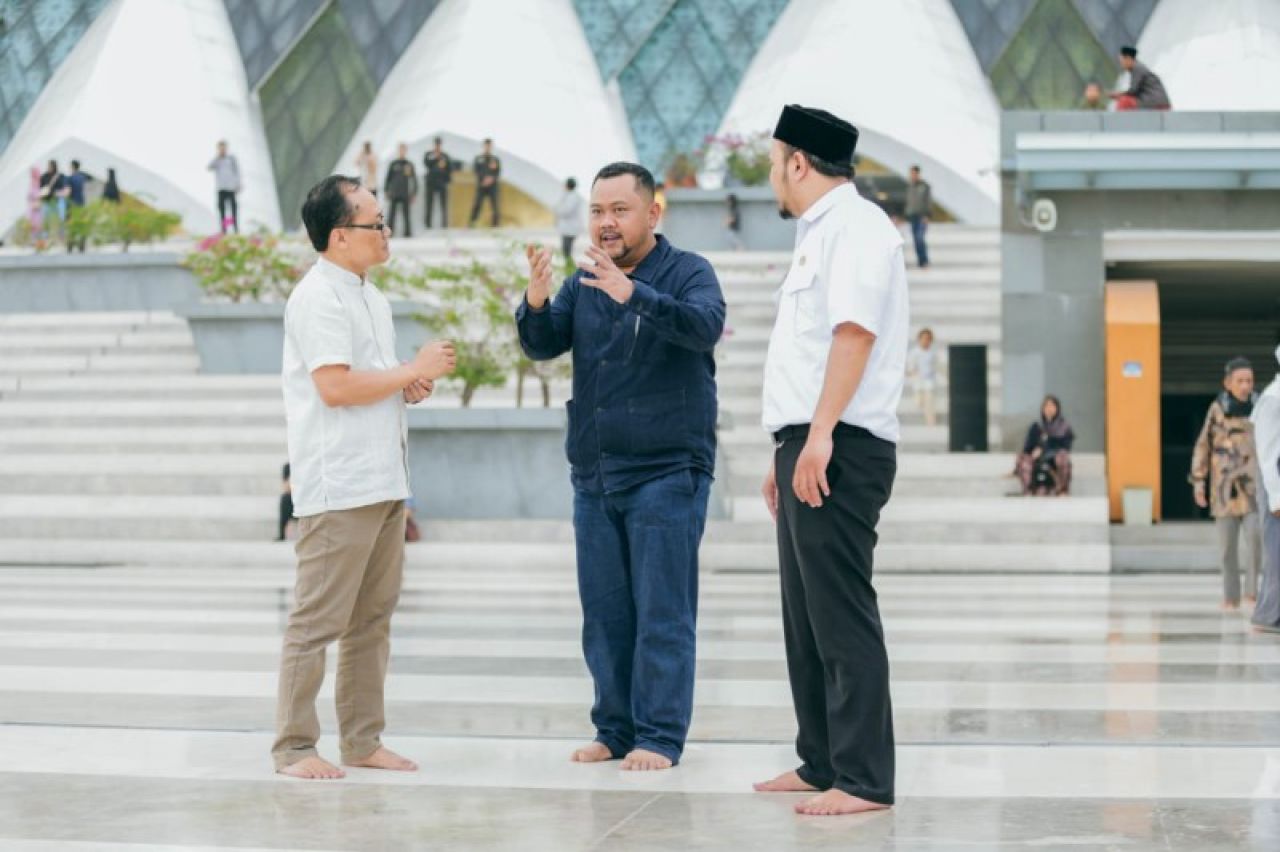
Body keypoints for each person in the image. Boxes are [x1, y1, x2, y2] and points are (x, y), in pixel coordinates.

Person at [516, 161, 725, 773]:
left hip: (667, 470)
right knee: (605, 614)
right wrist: (535, 299)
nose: (606, 224)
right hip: (596, 471)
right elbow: (544, 341)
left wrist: (633, 293)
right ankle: (613, 728)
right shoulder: (584, 281)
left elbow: (704, 326)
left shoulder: (689, 272)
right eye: (598, 211)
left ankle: (658, 736)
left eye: (620, 211)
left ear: (653, 213)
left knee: (663, 610)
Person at [273, 173, 457, 780]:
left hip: (384, 480)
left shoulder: (369, 296)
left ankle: (362, 741)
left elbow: (371, 380)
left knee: (371, 620)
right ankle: (295, 747)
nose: (385, 231)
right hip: (340, 484)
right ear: (338, 235)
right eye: (374, 223)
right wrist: (410, 368)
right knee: (316, 620)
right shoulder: (317, 297)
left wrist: (410, 384)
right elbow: (334, 387)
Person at [752, 104, 908, 817]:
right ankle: (820, 760)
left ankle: (865, 778)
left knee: (841, 613)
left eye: (775, 162)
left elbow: (853, 334)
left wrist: (817, 437)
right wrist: (786, 448)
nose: (772, 177)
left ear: (799, 163)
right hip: (807, 443)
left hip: (840, 445)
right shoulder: (821, 232)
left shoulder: (857, 227)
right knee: (805, 617)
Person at [1191, 357, 1260, 611]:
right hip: (1224, 491)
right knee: (1227, 548)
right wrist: (1198, 480)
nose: (1245, 386)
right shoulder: (1217, 409)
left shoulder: (1262, 407)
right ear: (1228, 383)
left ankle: (1252, 594)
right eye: (1240, 381)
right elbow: (1203, 445)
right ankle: (1231, 597)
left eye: (1249, 381)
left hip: (1254, 488)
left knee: (1256, 540)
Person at [1251, 345, 1280, 633]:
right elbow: (1268, 453)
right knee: (1277, 551)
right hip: (1275, 480)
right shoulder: (1273, 398)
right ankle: (1268, 615)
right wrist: (1276, 497)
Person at [1015, 395, 1075, 496]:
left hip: (1054, 464)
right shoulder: (1036, 426)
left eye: (1052, 406)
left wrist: (1044, 448)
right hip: (1038, 465)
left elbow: (1065, 446)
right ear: (1042, 409)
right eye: (1046, 406)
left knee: (1063, 457)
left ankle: (1063, 491)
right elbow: (1027, 447)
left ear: (1057, 408)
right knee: (1023, 459)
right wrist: (1034, 452)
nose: (1049, 409)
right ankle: (1028, 491)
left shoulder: (1064, 427)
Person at [1111, 46, 1171, 111]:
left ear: (1128, 58)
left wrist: (1119, 95)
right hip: (1157, 101)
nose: (1121, 64)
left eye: (1122, 61)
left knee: (1124, 102)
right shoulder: (1138, 68)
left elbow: (1133, 91)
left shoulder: (1137, 69)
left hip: (1154, 102)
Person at [384, 143, 417, 238]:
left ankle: (407, 234)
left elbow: (414, 180)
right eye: (400, 150)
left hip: (405, 193)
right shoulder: (393, 164)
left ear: (405, 151)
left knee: (406, 214)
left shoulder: (409, 164)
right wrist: (386, 190)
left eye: (403, 150)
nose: (402, 152)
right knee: (391, 215)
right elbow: (388, 179)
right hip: (394, 193)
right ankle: (390, 233)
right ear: (398, 151)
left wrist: (414, 193)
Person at [906, 327, 938, 427]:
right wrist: (912, 373)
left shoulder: (932, 353)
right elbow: (910, 366)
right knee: (919, 401)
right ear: (919, 339)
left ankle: (931, 422)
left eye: (928, 339)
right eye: (923, 338)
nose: (926, 341)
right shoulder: (914, 352)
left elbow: (935, 365)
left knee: (929, 401)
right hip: (917, 381)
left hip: (929, 381)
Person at [208, 141, 241, 234]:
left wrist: (238, 185)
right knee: (222, 210)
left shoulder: (231, 159)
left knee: (233, 209)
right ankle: (224, 229)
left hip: (230, 188)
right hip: (221, 188)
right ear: (218, 149)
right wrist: (217, 157)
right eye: (220, 148)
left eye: (223, 148)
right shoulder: (217, 160)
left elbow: (237, 172)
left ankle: (235, 228)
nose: (222, 150)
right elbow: (209, 167)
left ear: (226, 148)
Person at [469, 138, 501, 228]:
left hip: (493, 186)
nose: (488, 147)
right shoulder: (478, 158)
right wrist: (483, 179)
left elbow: (497, 173)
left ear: (491, 147)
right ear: (484, 146)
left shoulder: (495, 159)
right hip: (481, 186)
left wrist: (491, 179)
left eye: (489, 146)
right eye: (486, 145)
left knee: (495, 206)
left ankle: (496, 226)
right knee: (477, 204)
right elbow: (476, 171)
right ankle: (472, 224)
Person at [903, 165, 930, 268]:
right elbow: (908, 202)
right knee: (915, 239)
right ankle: (920, 261)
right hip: (912, 217)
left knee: (920, 238)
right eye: (911, 173)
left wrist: (926, 216)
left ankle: (924, 260)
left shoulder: (924, 186)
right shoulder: (910, 186)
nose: (912, 175)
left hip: (922, 216)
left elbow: (928, 201)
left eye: (914, 173)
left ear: (918, 174)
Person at [423, 137, 453, 229]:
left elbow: (449, 169)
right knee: (429, 204)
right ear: (434, 144)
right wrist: (436, 157)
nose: (437, 146)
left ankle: (444, 225)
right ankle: (428, 225)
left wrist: (447, 181)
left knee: (444, 205)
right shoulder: (429, 154)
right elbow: (426, 163)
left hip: (442, 183)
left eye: (439, 144)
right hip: (431, 183)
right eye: (436, 144)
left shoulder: (445, 156)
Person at [555, 177, 584, 262]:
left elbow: (566, 211)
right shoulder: (569, 195)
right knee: (566, 251)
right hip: (568, 228)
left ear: (567, 185)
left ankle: (569, 268)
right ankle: (569, 267)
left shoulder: (572, 197)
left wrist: (558, 210)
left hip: (570, 228)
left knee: (566, 251)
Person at [65, 160, 92, 253]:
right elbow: (91, 177)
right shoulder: (82, 177)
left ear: (72, 166)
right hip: (81, 203)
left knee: (71, 225)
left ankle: (70, 246)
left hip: (72, 204)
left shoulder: (70, 178)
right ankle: (82, 246)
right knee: (82, 224)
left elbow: (67, 192)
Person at [38, 160, 66, 240]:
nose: (49, 167)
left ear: (54, 166)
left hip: (58, 200)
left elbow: (64, 187)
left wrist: (59, 192)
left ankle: (61, 235)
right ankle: (45, 237)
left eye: (50, 166)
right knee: (45, 219)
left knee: (61, 218)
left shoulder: (60, 176)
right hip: (46, 201)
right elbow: (40, 189)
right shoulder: (44, 176)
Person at [277, 462, 293, 542]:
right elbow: (286, 487)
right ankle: (282, 535)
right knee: (285, 498)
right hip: (295, 497)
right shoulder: (288, 467)